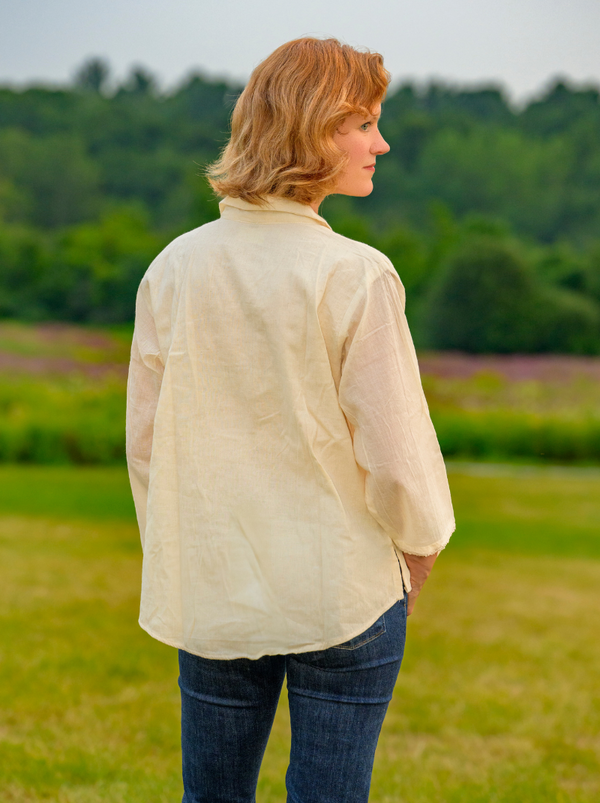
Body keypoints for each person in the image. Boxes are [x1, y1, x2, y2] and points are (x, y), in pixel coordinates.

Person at [126, 37, 454, 803]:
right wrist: (420, 548)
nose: (380, 143)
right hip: (344, 593)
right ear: (314, 130)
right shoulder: (355, 274)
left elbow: (146, 444)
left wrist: (184, 555)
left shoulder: (173, 267)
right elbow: (398, 454)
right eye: (364, 124)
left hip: (217, 588)